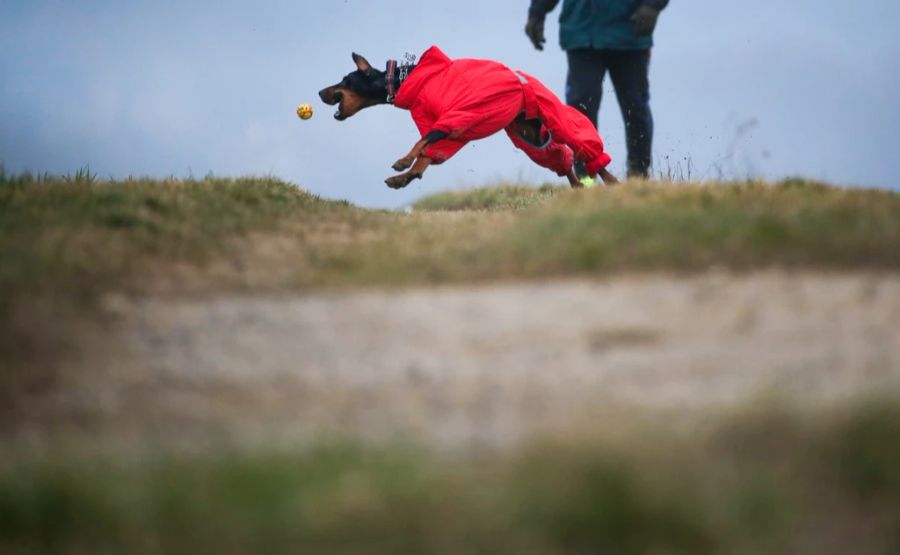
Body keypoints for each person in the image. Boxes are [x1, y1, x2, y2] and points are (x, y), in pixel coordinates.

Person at [525, 0, 669, 180]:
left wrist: (653, 5)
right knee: (580, 109)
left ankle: (638, 178)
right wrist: (537, 12)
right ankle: (586, 180)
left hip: (630, 31)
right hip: (582, 34)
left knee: (635, 108)